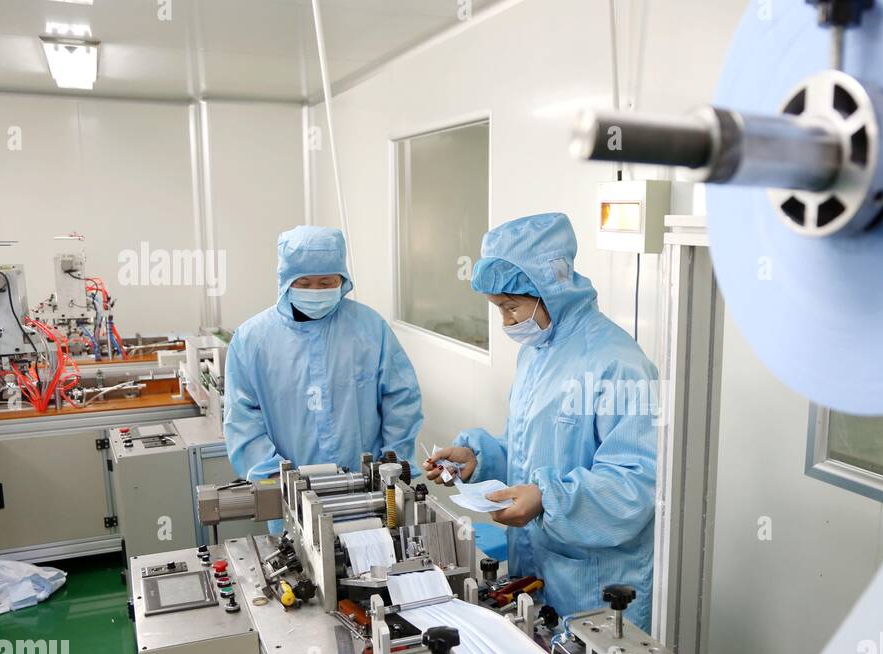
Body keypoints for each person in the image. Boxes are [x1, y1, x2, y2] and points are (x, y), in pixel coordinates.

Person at [424, 213, 657, 630]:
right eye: (498, 309)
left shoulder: (618, 364)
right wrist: (480, 458)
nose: (506, 321)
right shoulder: (537, 351)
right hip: (535, 570)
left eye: (511, 307)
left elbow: (635, 486)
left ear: (549, 287)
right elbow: (531, 448)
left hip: (595, 585)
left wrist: (550, 499)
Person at [224, 225, 422, 483]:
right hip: (291, 498)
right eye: (304, 283)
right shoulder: (251, 340)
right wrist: (273, 477)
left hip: (369, 490)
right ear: (285, 281)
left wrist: (392, 464)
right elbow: (243, 419)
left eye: (326, 282)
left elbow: (401, 398)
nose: (315, 291)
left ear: (342, 280)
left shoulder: (370, 328)